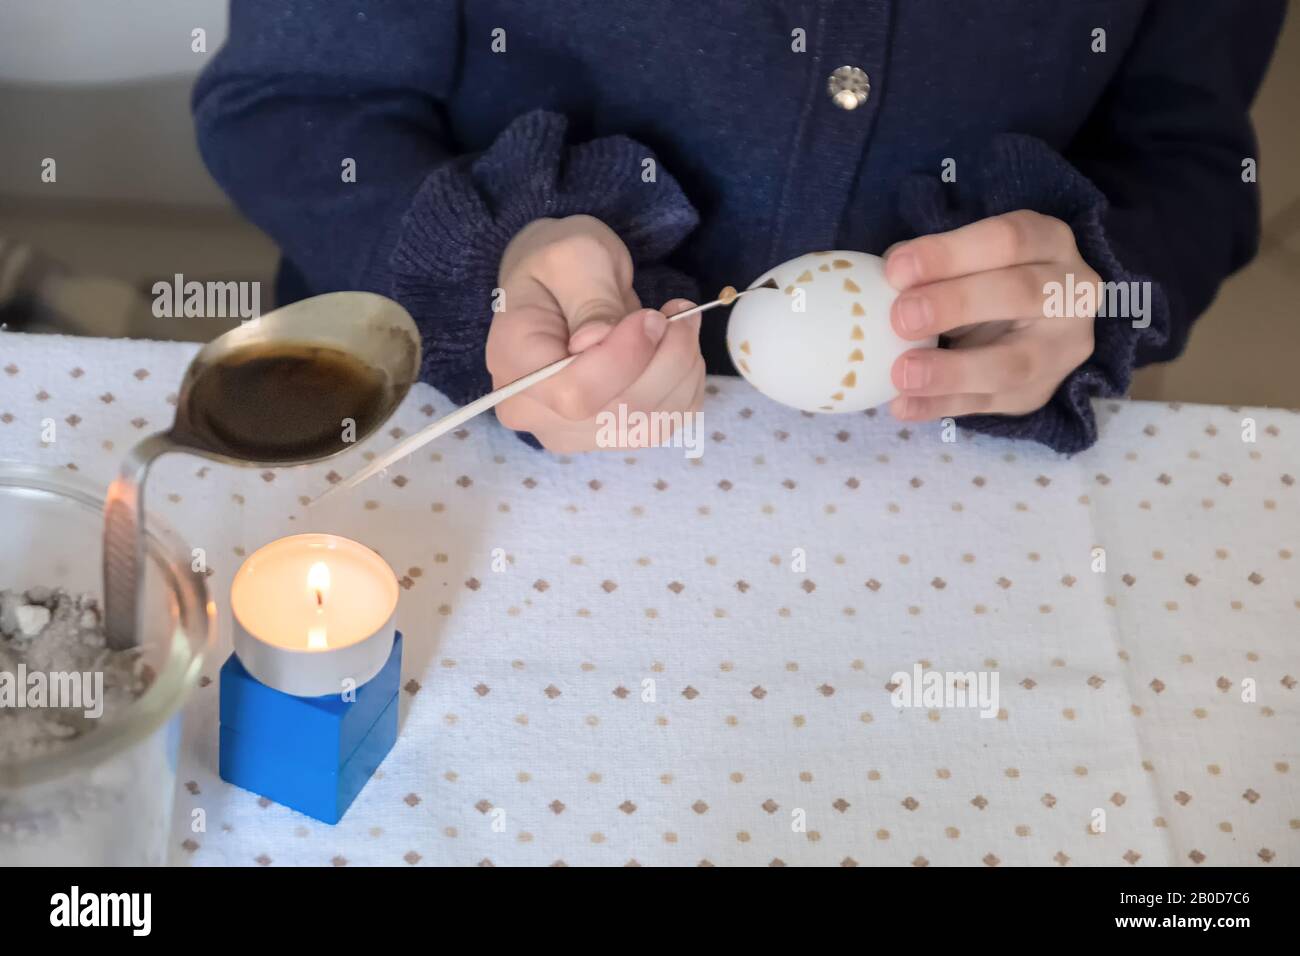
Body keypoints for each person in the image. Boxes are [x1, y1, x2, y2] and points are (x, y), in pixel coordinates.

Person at [192, 0, 1284, 454]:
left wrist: (1095, 282)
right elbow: (293, 104)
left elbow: (1191, 165)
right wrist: (483, 264)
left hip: (933, 505)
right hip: (449, 444)